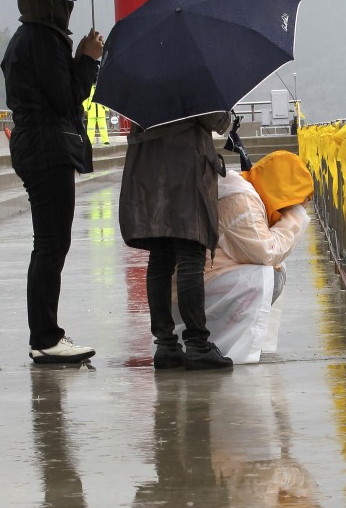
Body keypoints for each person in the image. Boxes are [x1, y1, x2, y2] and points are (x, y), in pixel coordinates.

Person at [1, 0, 103, 364]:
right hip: (47, 150)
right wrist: (88, 60)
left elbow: (52, 92)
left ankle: (46, 334)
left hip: (35, 146)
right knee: (51, 245)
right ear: (52, 5)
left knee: (49, 244)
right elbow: (65, 99)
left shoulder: (25, 38)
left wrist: (77, 59)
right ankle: (46, 336)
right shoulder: (43, 38)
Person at [119, 111, 234, 371]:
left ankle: (166, 345)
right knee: (190, 255)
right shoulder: (190, 75)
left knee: (160, 258)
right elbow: (214, 118)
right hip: (185, 167)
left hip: (147, 167)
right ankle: (197, 345)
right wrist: (227, 117)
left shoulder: (139, 76)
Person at [191, 150, 313, 364]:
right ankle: (231, 346)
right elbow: (267, 252)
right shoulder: (241, 201)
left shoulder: (240, 189)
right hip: (195, 292)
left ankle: (249, 342)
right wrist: (295, 216)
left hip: (195, 284)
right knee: (266, 275)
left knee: (273, 270)